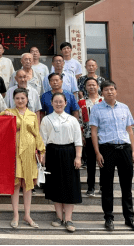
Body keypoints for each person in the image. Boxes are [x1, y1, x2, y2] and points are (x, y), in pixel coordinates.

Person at [89, 80, 134, 232]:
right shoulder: (97, 109)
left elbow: (129, 130)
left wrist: (133, 151)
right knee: (107, 186)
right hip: (107, 149)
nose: (109, 92)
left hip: (124, 149)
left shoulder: (124, 108)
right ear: (102, 92)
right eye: (106, 90)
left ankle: (129, 218)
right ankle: (108, 217)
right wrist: (97, 152)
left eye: (112, 89)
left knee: (127, 186)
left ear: (116, 91)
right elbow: (93, 132)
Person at [1, 88, 45, 229]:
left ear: (27, 99)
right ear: (13, 100)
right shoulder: (9, 112)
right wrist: (4, 114)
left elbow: (37, 133)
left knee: (27, 183)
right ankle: (16, 215)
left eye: (22, 98)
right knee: (15, 184)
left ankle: (27, 215)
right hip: (14, 151)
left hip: (29, 151)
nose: (20, 101)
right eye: (17, 98)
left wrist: (41, 150)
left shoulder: (32, 115)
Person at [40, 92, 83, 233]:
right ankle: (59, 217)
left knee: (70, 185)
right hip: (52, 153)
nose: (58, 104)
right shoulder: (46, 119)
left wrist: (78, 157)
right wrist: (43, 156)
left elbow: (78, 140)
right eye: (56, 101)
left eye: (61, 101)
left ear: (66, 103)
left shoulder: (72, 120)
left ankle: (68, 219)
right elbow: (43, 140)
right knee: (55, 185)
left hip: (69, 153)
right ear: (51, 103)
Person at [81, 77, 102, 197]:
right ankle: (91, 187)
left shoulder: (103, 100)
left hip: (103, 136)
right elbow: (80, 120)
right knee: (90, 163)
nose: (92, 87)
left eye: (93, 84)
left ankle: (103, 186)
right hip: (88, 135)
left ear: (98, 86)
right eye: (89, 85)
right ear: (85, 87)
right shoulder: (82, 102)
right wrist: (82, 135)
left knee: (104, 162)